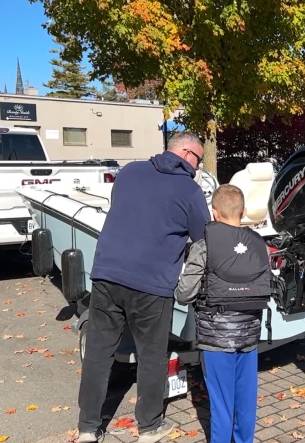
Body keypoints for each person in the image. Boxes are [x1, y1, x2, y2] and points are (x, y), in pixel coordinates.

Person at [76, 132, 210, 443]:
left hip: (107, 275)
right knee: (152, 357)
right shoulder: (189, 190)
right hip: (151, 284)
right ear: (187, 153)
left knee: (98, 353)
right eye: (198, 160)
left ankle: (87, 427)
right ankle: (149, 427)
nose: (198, 166)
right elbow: (204, 238)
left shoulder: (130, 171)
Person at [175, 184, 274, 443]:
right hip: (250, 336)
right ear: (242, 212)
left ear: (214, 213)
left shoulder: (204, 245)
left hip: (215, 339)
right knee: (246, 402)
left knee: (221, 405)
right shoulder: (259, 244)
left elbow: (184, 294)